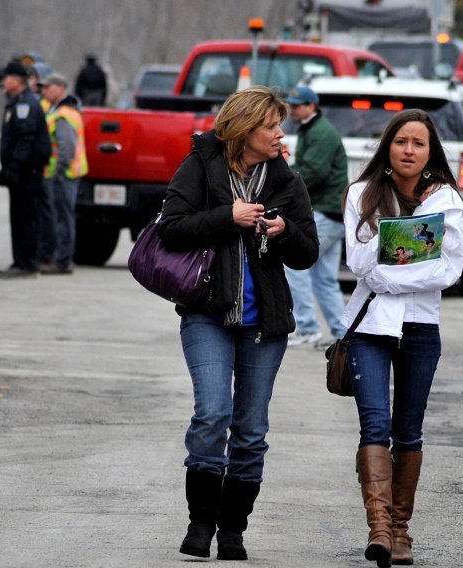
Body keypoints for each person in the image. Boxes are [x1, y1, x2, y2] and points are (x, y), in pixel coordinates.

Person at [157, 86, 319, 561]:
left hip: (264, 324)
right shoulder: (200, 168)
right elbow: (172, 227)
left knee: (250, 430)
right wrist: (226, 217)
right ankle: (200, 523)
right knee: (212, 413)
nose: (279, 133)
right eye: (271, 126)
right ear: (244, 129)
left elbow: (308, 253)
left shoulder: (286, 180)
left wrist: (285, 231)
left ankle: (233, 531)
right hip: (207, 314)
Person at [342, 109, 463, 567]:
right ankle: (379, 530)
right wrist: (410, 262)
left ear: (430, 150)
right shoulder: (362, 194)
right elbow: (359, 264)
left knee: (408, 430)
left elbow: (449, 270)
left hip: (420, 328)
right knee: (374, 426)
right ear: (387, 147)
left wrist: (391, 273)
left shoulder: (446, 200)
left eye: (418, 143)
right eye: (401, 142)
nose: (409, 150)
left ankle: (400, 531)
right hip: (371, 327)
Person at [284, 86, 348, 347]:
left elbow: (313, 172)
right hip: (332, 212)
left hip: (325, 210)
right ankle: (343, 333)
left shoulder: (320, 132)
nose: (293, 109)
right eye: (292, 104)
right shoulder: (314, 128)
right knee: (325, 278)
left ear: (312, 106)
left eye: (298, 105)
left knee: (294, 264)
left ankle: (307, 328)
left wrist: (283, 181)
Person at [0, 60, 52, 279]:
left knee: (26, 218)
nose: (4, 81)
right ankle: (20, 261)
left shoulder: (24, 105)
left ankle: (27, 264)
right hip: (20, 173)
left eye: (8, 78)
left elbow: (25, 140)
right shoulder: (16, 102)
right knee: (17, 218)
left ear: (18, 81)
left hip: (27, 173)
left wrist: (14, 167)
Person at [37, 73, 88, 274]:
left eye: (47, 87)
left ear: (59, 88)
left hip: (63, 175)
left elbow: (66, 147)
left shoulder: (63, 115)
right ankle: (61, 259)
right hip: (64, 174)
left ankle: (62, 261)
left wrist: (59, 171)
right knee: (62, 218)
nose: (44, 91)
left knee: (62, 219)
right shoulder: (60, 111)